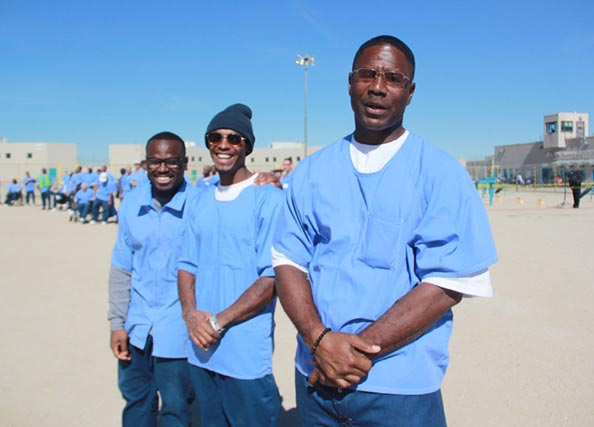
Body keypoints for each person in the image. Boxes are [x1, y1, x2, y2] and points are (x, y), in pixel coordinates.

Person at [272, 35, 498, 426]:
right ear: (349, 82)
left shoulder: (441, 174)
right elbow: (288, 260)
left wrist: (351, 356)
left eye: (393, 78)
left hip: (399, 391)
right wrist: (319, 340)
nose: (378, 86)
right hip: (314, 379)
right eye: (367, 74)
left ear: (410, 93)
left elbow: (447, 283)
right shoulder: (312, 172)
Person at [177, 103, 283, 427]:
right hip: (201, 351)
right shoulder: (198, 200)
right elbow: (186, 264)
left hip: (244, 356)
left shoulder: (269, 199)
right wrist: (191, 316)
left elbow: (271, 278)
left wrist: (218, 322)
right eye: (216, 137)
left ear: (247, 146)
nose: (224, 145)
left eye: (234, 138)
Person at [108, 131, 197, 426]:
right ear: (145, 164)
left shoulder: (202, 204)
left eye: (172, 161)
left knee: (176, 409)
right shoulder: (131, 205)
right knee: (136, 404)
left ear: (184, 163)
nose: (163, 168)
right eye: (155, 161)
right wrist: (117, 324)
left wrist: (266, 183)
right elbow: (122, 269)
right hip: (137, 328)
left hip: (179, 333)